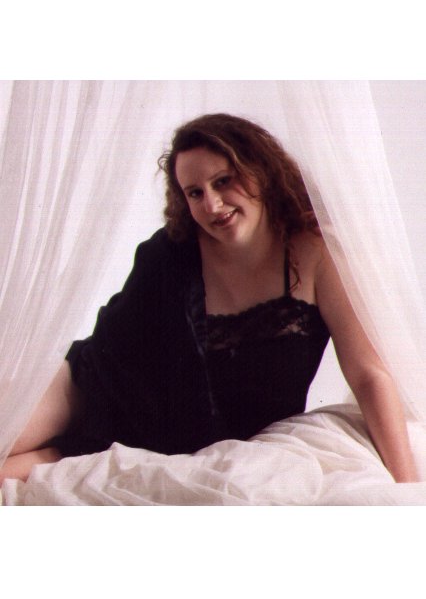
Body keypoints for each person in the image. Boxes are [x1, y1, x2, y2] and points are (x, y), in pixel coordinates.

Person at [0, 113, 419, 486]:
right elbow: (111, 356)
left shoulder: (319, 252)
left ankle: (65, 452)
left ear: (261, 171)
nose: (213, 204)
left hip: (163, 436)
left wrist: (408, 487)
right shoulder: (170, 252)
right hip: (88, 390)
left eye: (222, 181)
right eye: (195, 193)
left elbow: (368, 374)